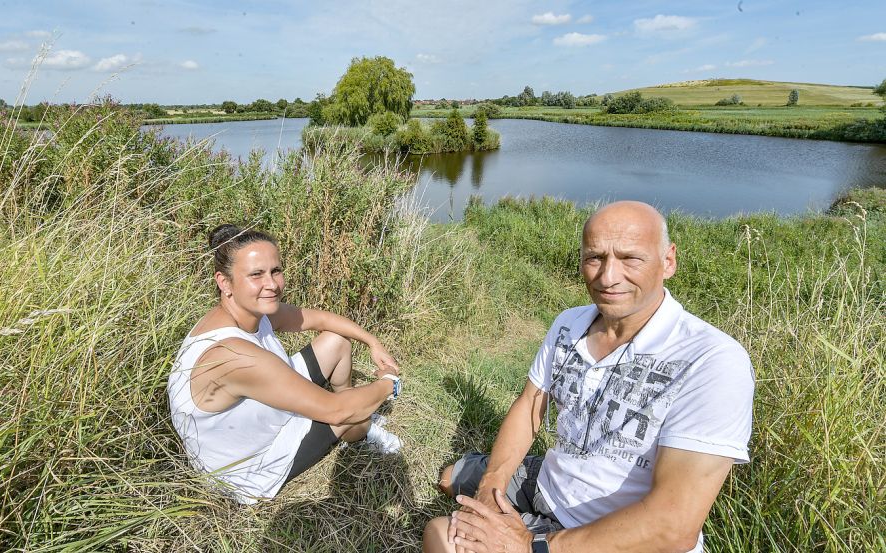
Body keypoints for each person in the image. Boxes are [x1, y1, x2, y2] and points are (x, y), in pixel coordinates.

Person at [423, 201, 755, 553]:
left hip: (614, 533)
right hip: (552, 484)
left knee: (442, 535)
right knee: (451, 478)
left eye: (630, 259)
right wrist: (492, 487)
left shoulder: (712, 360)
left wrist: (532, 546)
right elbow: (530, 406)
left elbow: (672, 525)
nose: (608, 277)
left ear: (668, 261)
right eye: (595, 257)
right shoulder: (570, 323)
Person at [168, 224, 403, 504]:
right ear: (224, 282)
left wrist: (372, 341)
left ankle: (355, 406)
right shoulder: (234, 355)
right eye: (256, 274)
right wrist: (389, 383)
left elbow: (319, 319)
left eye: (275, 271)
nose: (272, 284)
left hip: (251, 416)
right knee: (348, 415)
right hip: (245, 467)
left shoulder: (249, 312)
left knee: (337, 342)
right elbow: (336, 411)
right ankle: (362, 428)